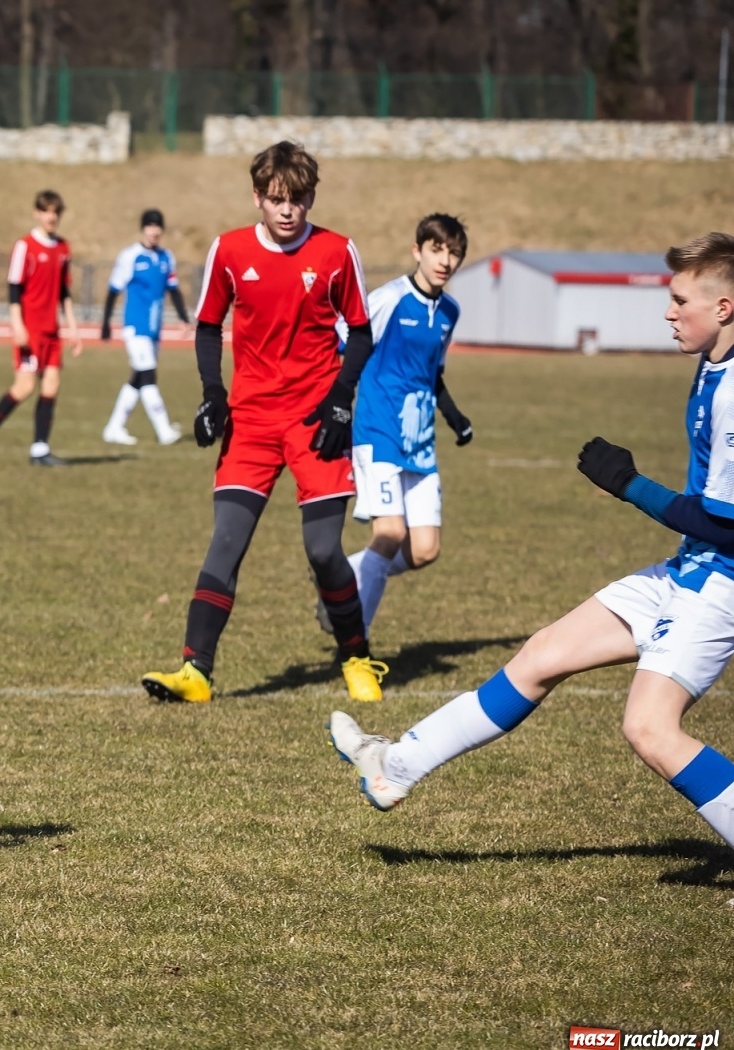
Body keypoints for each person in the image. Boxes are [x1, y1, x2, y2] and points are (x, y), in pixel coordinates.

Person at [328, 232, 734, 856]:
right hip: (688, 572)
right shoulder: (712, 367)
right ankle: (395, 767)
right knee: (542, 655)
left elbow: (725, 524)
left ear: (725, 308)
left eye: (681, 300)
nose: (668, 311)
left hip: (720, 584)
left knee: (650, 729)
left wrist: (628, 484)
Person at [141, 141, 387, 705]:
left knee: (324, 550)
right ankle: (195, 672)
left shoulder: (335, 252)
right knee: (225, 543)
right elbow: (207, 326)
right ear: (257, 197)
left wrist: (342, 400)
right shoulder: (228, 251)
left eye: (297, 200)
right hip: (250, 419)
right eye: (276, 199)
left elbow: (361, 332)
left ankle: (355, 657)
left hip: (315, 418)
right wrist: (212, 395)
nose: (286, 211)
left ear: (310, 199)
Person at [343, 214, 475, 630]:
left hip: (420, 443)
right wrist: (336, 403)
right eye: (437, 249)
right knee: (389, 535)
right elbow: (343, 340)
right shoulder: (389, 299)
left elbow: (432, 373)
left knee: (424, 549)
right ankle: (355, 645)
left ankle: (340, 576)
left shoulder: (450, 311)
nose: (445, 260)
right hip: (378, 432)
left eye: (454, 253)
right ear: (417, 251)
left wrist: (454, 416)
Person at [0, 190, 83, 467]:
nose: (51, 216)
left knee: (52, 383)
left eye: (55, 211)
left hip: (52, 331)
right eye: (46, 211)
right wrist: (17, 325)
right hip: (30, 330)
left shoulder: (63, 248)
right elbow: (14, 288)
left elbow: (64, 291)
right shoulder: (25, 246)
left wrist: (73, 327)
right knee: (24, 387)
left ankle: (40, 449)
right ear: (37, 213)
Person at [100, 208, 189, 447]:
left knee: (138, 378)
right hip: (135, 328)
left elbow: (174, 290)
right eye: (150, 226)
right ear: (143, 229)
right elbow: (113, 290)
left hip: (154, 329)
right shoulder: (130, 256)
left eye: (158, 226)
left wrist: (183, 318)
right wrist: (106, 323)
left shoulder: (166, 257)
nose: (154, 231)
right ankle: (164, 431)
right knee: (149, 375)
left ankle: (114, 427)